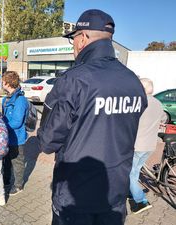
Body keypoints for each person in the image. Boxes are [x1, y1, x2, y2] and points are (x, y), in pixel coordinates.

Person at [37, 9, 148, 225]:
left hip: (75, 199)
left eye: (73, 39)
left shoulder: (73, 80)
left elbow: (47, 142)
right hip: (114, 195)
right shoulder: (133, 81)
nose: (73, 46)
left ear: (83, 39)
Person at [129, 78, 165, 214]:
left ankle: (141, 201)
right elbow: (162, 120)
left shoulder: (138, 102)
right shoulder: (158, 103)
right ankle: (131, 191)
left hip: (137, 145)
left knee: (129, 174)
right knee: (135, 171)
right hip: (150, 145)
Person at [2, 71, 28, 196]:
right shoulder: (6, 98)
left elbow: (17, 122)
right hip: (6, 136)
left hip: (17, 138)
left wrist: (1, 127)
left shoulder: (20, 100)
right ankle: (5, 181)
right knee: (6, 160)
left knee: (17, 162)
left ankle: (18, 185)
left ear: (7, 83)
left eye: (3, 81)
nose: (1, 83)